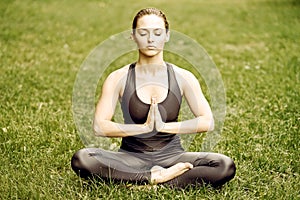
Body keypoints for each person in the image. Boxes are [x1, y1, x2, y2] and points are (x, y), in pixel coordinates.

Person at [71, 7, 236, 188]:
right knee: (83, 159)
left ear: (167, 36)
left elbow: (207, 122)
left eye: (157, 33)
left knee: (224, 165)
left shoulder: (183, 77)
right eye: (143, 33)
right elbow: (99, 126)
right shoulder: (118, 77)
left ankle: (141, 180)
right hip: (130, 158)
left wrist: (164, 127)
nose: (151, 39)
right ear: (133, 36)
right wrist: (144, 128)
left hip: (172, 157)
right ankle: (154, 178)